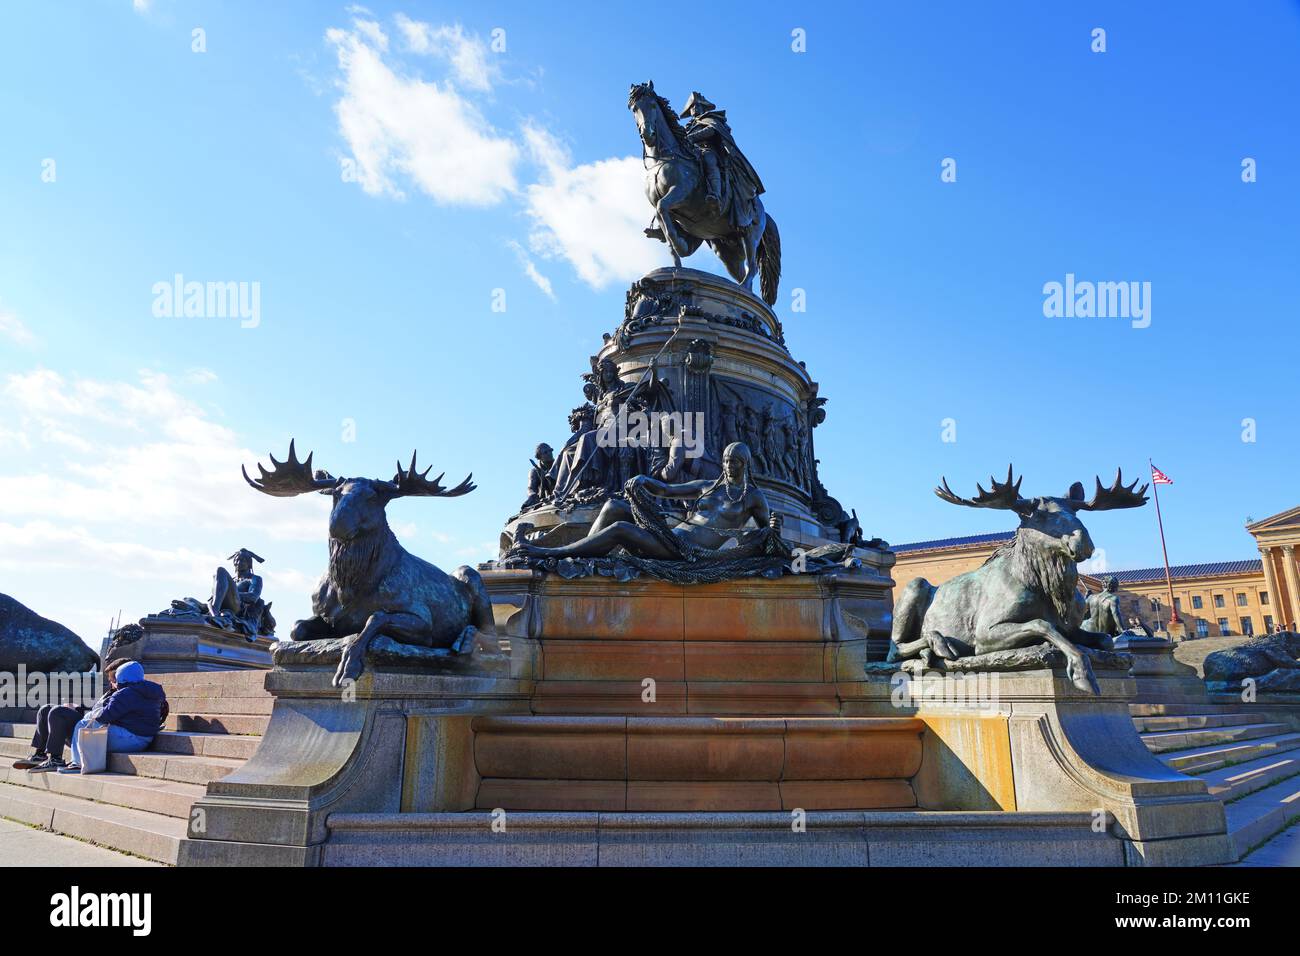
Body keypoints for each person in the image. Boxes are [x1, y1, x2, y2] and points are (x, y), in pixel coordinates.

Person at [43, 660, 165, 775]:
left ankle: (78, 763)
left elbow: (106, 716)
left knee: (83, 725)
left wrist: (91, 713)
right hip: (145, 739)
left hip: (129, 739)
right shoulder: (154, 691)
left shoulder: (124, 693)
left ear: (121, 677)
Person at [15, 661, 120, 772]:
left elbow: (103, 715)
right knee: (45, 709)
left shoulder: (121, 694)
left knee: (58, 712)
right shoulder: (111, 692)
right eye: (110, 678)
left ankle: (56, 759)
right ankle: (40, 754)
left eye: (112, 678)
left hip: (93, 733)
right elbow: (95, 709)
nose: (110, 681)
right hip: (87, 724)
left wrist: (76, 710)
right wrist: (76, 707)